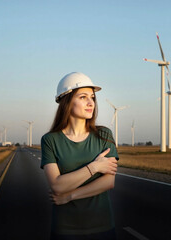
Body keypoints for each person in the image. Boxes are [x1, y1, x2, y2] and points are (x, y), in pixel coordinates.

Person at [41, 72, 119, 240]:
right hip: (65, 230)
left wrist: (70, 196)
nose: (91, 102)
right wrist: (95, 167)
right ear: (66, 101)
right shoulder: (50, 140)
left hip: (102, 226)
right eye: (83, 97)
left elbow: (108, 181)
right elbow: (57, 186)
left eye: (92, 97)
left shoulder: (104, 135)